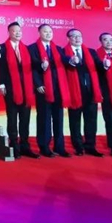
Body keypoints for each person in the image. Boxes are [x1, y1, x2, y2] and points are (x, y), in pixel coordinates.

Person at [29, 24, 71, 158]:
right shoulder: (32, 48)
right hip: (43, 88)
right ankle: (44, 147)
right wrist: (38, 84)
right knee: (44, 118)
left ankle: (59, 147)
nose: (48, 34)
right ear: (39, 33)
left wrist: (72, 60)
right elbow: (31, 68)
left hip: (58, 88)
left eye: (50, 32)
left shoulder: (57, 49)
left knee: (59, 119)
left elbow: (64, 61)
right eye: (45, 32)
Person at [0, 22, 38, 159]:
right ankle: (14, 145)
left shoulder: (26, 48)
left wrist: (42, 64)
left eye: (19, 31)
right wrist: (1, 84)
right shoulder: (3, 48)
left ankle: (25, 145)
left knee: (25, 118)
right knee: (12, 118)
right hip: (10, 88)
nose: (18, 33)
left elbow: (33, 65)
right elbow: (1, 67)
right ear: (9, 32)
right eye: (14, 31)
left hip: (26, 89)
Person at [62, 28, 104, 157]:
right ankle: (78, 146)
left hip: (91, 92)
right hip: (74, 92)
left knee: (91, 120)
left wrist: (105, 64)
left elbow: (99, 65)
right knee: (75, 121)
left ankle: (90, 146)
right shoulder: (63, 52)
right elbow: (63, 64)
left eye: (79, 36)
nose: (77, 38)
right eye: (74, 36)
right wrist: (71, 61)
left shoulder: (90, 52)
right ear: (68, 38)